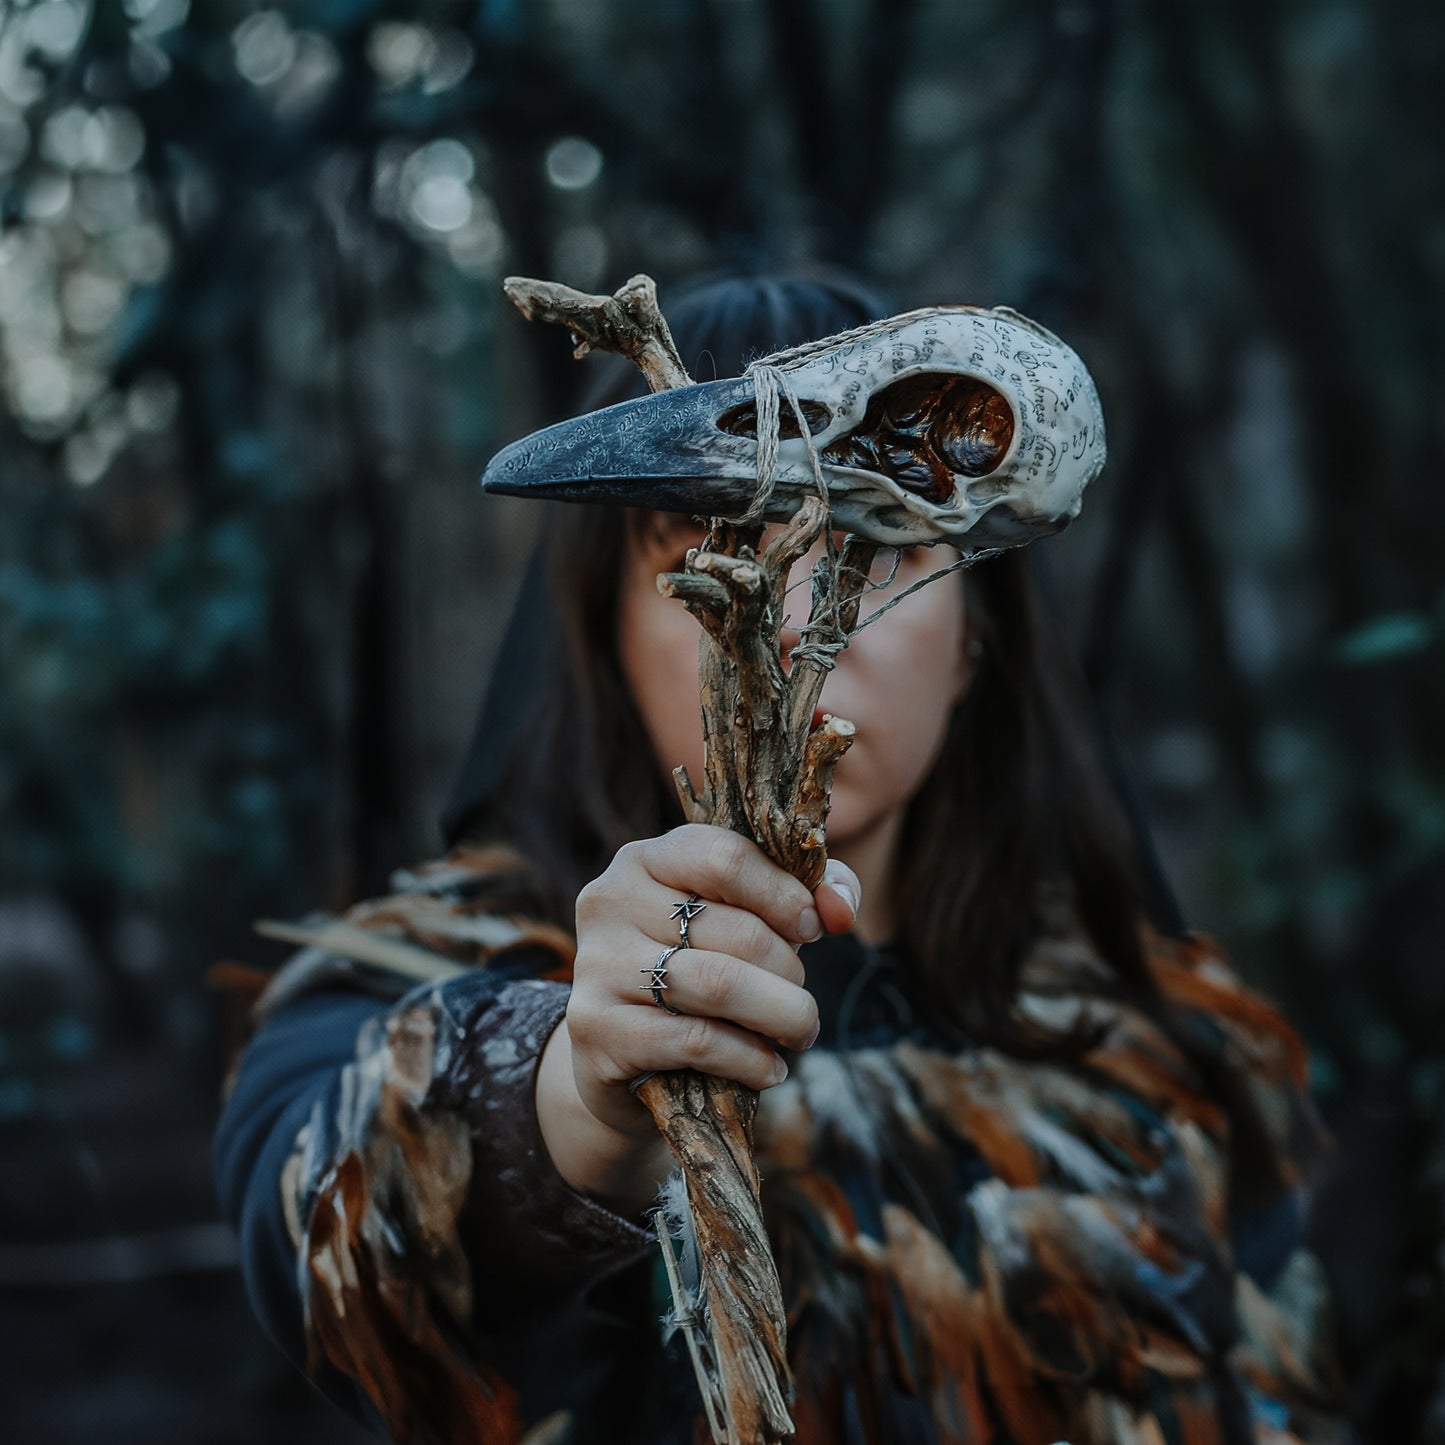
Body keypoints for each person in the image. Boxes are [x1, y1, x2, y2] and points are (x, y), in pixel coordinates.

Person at [216, 274, 1349, 1445]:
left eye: (879, 547)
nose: (790, 612)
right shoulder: (418, 971)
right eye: (709, 544)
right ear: (601, 628)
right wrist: (575, 1093)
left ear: (977, 644)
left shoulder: (1154, 1058)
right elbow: (307, 1212)